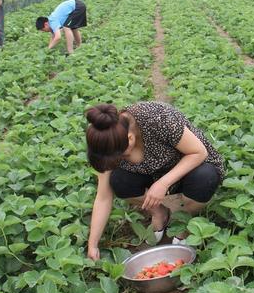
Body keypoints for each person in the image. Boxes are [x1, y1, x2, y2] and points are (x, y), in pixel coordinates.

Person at [85, 102, 224, 260]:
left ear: (130, 139)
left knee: (205, 178)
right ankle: (159, 213)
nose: (118, 160)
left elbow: (198, 152)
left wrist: (163, 183)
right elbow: (103, 197)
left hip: (190, 167)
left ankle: (183, 223)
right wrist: (93, 244)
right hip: (153, 174)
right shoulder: (105, 143)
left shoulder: (157, 118)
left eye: (121, 156)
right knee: (118, 180)